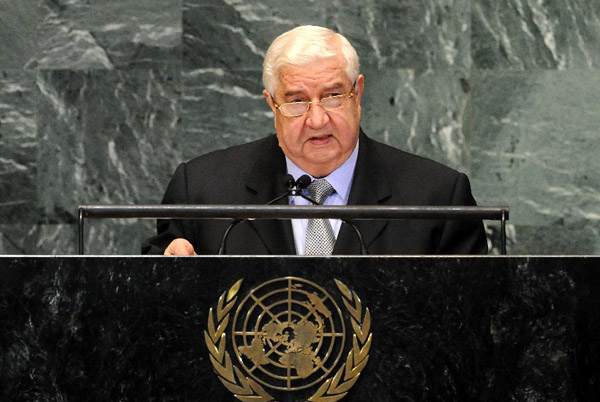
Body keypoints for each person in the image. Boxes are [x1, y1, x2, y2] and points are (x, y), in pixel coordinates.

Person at [142, 25, 487, 256]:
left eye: (334, 95)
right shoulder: (201, 191)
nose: (318, 119)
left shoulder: (437, 198)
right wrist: (167, 276)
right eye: (296, 101)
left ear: (358, 93)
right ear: (272, 104)